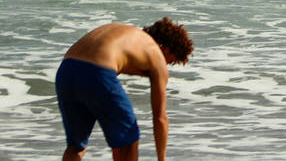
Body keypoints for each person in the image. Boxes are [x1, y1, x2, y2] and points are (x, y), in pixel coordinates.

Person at [55, 18, 193, 161]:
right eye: (169, 61)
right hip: (98, 72)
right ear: (165, 49)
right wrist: (161, 158)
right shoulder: (155, 53)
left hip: (66, 71)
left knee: (76, 147)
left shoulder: (126, 35)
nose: (166, 65)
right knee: (129, 139)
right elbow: (160, 117)